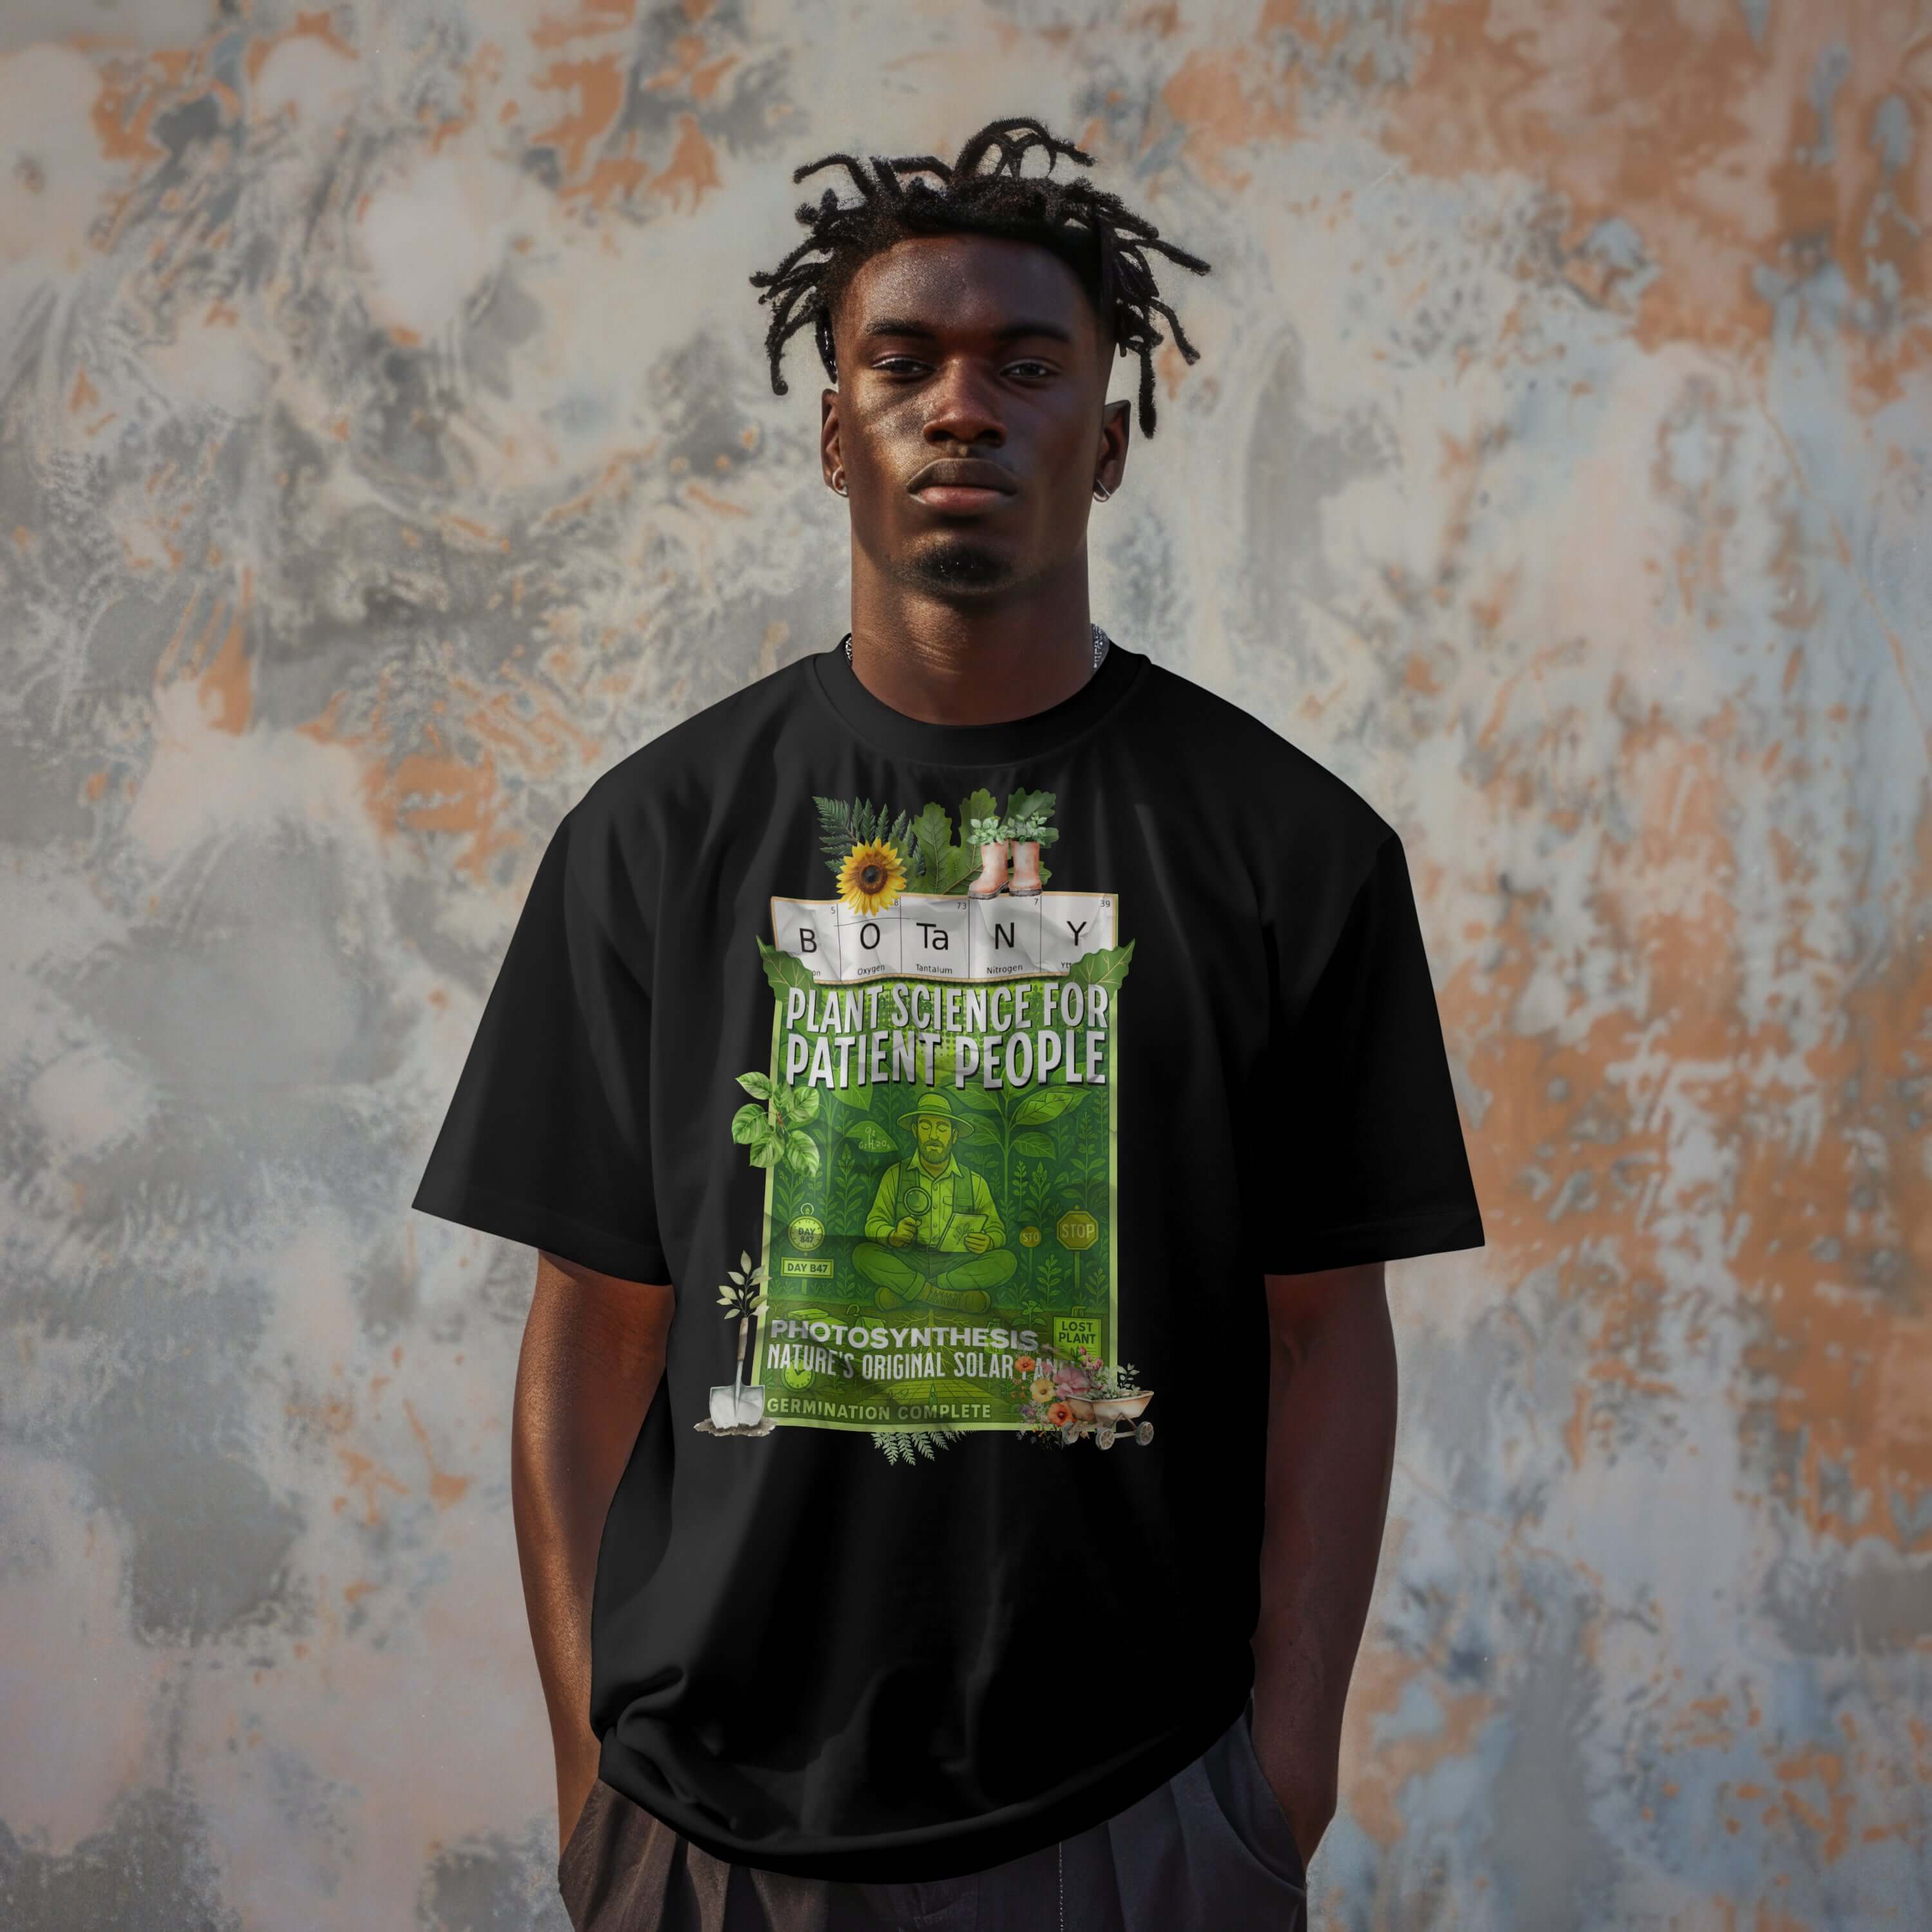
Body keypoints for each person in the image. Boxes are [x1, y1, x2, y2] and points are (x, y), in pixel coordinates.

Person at [413, 115, 1484, 1932]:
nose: (963, 408)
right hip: (705, 1829)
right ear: (835, 434)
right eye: (902, 362)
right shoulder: (651, 840)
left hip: (1137, 1811)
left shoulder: (1291, 850)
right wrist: (595, 1778)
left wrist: (1280, 1779)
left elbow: (1325, 1337)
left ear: (1110, 441)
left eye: (1028, 366)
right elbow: (592, 1329)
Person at [853, 1092, 1015, 1314]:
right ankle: (946, 1297)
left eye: (942, 1128)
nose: (933, 1136)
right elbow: (873, 1224)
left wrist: (988, 1241)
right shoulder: (895, 1175)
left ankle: (912, 1291)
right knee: (863, 1254)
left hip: (956, 1264)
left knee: (1006, 1261)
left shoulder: (975, 1182)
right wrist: (892, 1235)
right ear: (915, 1131)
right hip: (909, 1259)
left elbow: (997, 1230)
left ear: (954, 1136)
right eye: (925, 1126)